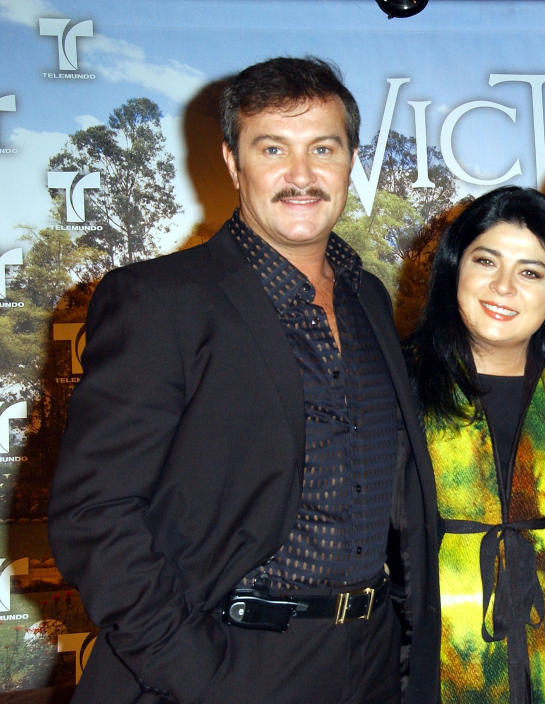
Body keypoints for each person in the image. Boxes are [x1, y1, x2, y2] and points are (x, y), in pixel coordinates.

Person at [47, 56, 439, 704]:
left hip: (369, 667)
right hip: (227, 665)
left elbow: (393, 500)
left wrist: (399, 648)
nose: (302, 175)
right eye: (272, 148)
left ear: (350, 162)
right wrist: (200, 677)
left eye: (323, 148)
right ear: (233, 162)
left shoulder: (369, 298)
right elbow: (95, 514)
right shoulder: (160, 301)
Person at [405, 186, 545, 704]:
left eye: (530, 272)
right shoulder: (399, 385)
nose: (503, 287)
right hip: (431, 664)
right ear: (455, 271)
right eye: (485, 260)